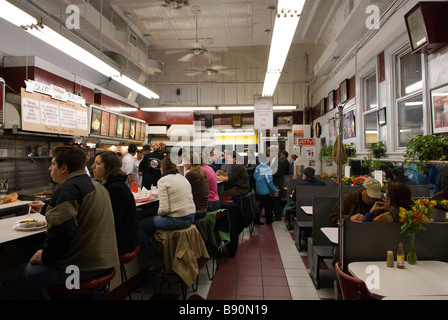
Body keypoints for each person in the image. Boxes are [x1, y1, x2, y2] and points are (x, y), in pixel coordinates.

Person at [3, 146, 119, 300]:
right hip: (105, 264)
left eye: (52, 164)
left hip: (79, 268)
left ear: (64, 168)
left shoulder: (68, 188)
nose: (50, 168)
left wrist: (45, 257)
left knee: (12, 280)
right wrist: (46, 210)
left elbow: (63, 232)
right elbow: (80, 216)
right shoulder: (98, 187)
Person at [138, 157, 196, 262]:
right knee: (151, 222)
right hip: (191, 217)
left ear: (162, 168)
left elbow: (164, 210)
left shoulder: (163, 181)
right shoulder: (183, 178)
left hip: (177, 220)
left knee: (139, 226)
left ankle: (154, 259)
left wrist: (154, 214)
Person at [92, 151, 139, 254]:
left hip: (122, 243)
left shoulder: (115, 188)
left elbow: (112, 222)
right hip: (124, 239)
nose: (92, 167)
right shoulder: (114, 185)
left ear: (108, 167)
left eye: (97, 163)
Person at [184, 152, 209, 220]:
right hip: (203, 210)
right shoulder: (201, 172)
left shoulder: (190, 175)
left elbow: (182, 191)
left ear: (190, 162)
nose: (183, 164)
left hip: (196, 212)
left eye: (184, 161)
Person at [254, 153, 277, 224]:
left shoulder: (258, 167)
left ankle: (257, 219)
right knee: (268, 206)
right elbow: (269, 181)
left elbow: (255, 177)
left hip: (259, 189)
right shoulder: (267, 168)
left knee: (261, 204)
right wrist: (274, 189)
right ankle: (268, 219)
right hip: (266, 190)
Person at [270, 146, 284, 221]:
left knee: (277, 200)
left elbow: (278, 172)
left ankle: (278, 216)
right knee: (274, 200)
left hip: (277, 184)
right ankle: (275, 213)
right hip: (275, 183)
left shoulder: (279, 161)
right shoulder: (275, 160)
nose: (270, 153)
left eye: (271, 152)